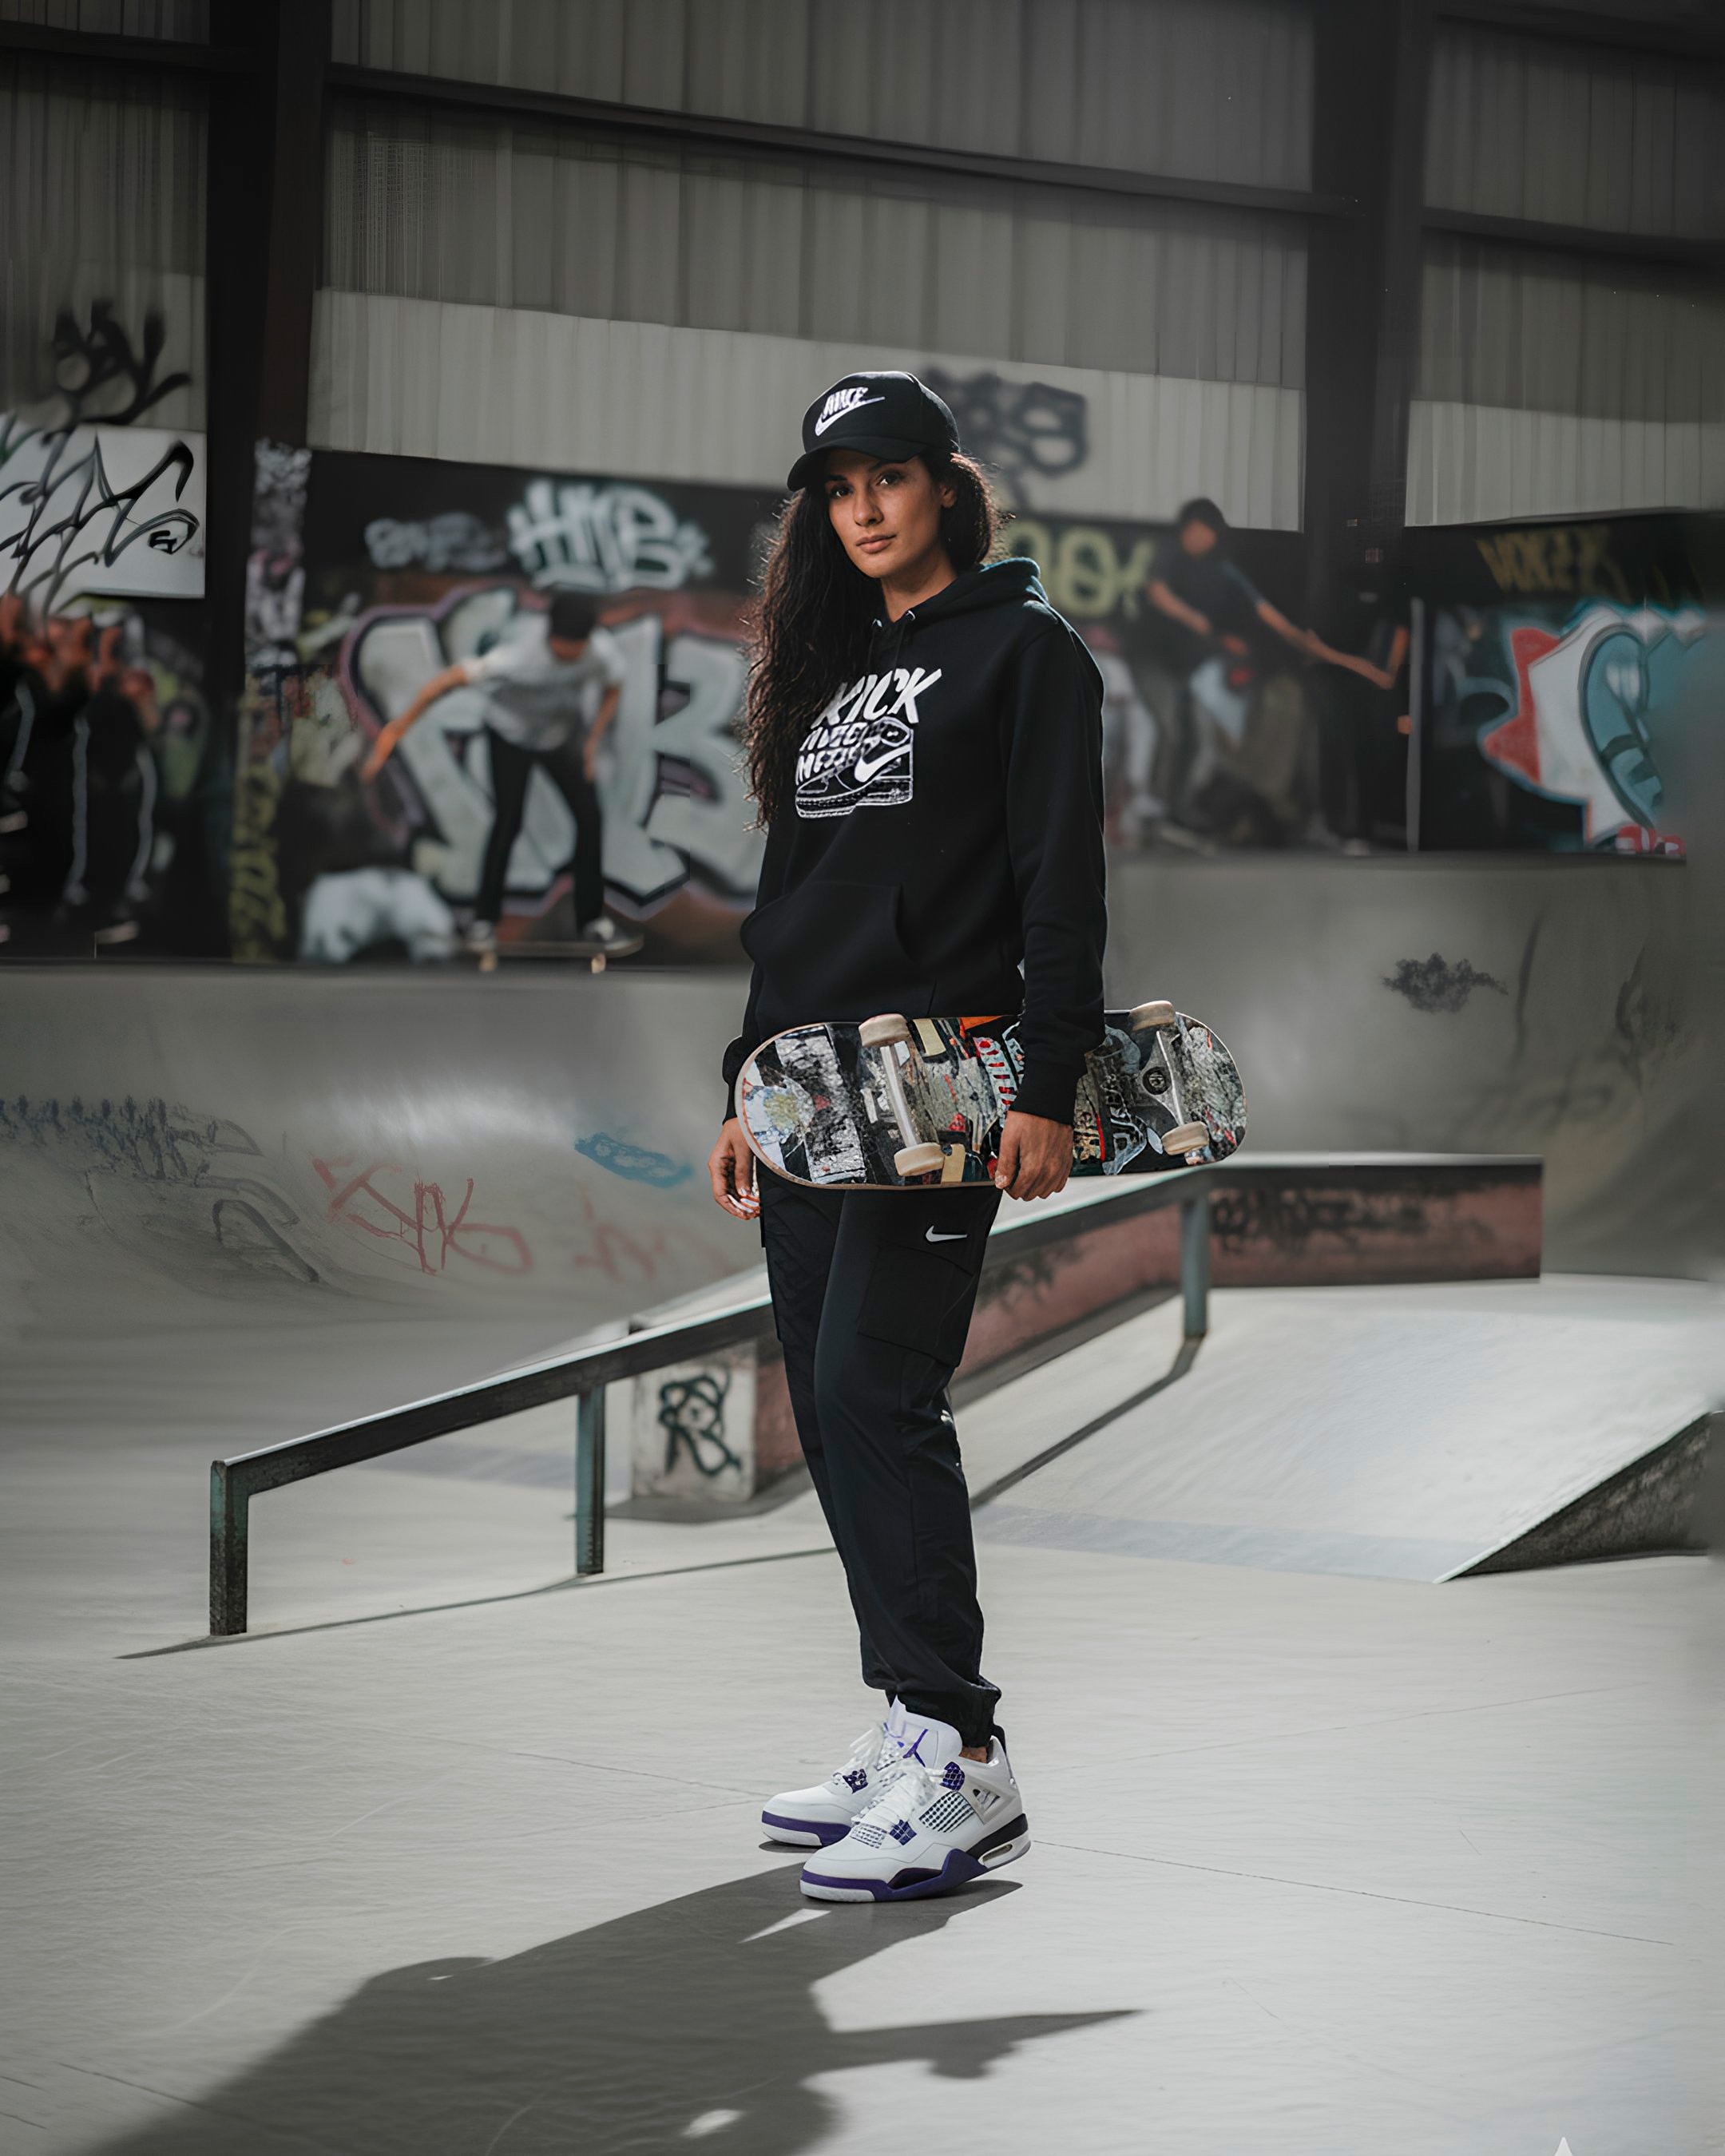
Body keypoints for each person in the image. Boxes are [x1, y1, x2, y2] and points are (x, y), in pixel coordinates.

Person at [705, 371, 1106, 1903]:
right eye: (839, 487)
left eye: (890, 477)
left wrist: (1049, 1089)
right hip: (805, 1099)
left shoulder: (1027, 653)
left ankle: (966, 1758)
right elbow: (787, 909)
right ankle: (905, 1721)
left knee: (883, 1389)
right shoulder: (829, 668)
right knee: (828, 1401)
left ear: (945, 483)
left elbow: (1060, 881)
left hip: (941, 1099)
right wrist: (743, 1087)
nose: (864, 509)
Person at [360, 590, 628, 953]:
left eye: (577, 647)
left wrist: (593, 740)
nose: (571, 655)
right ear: (550, 635)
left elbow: (614, 686)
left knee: (590, 818)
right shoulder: (518, 657)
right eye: (564, 647)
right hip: (509, 737)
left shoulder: (600, 652)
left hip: (560, 738)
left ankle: (592, 920)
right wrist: (396, 730)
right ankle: (484, 921)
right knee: (507, 822)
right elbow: (446, 682)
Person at [1147, 498, 1394, 840]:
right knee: (1180, 730)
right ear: (1191, 530)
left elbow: (1276, 621)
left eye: (1213, 537)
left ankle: (1287, 816)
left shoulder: (1225, 573)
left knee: (1240, 736)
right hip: (1165, 664)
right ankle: (1167, 811)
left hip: (1226, 672)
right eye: (1204, 534)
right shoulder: (1171, 554)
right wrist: (1196, 620)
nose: (1209, 543)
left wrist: (1356, 666)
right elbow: (1158, 592)